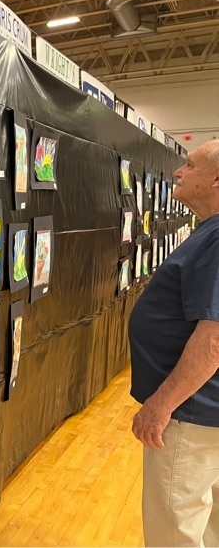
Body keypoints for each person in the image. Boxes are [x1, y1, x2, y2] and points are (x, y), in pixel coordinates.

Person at [129, 139, 219, 546]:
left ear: (216, 179)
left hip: (191, 415)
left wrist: (161, 405)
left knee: (175, 531)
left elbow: (213, 340)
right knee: (208, 524)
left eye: (190, 165)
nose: (178, 172)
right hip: (204, 412)